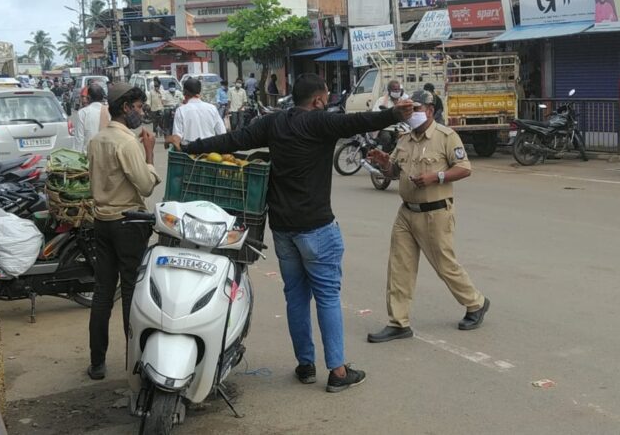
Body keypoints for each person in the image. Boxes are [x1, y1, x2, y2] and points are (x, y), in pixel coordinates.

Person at [165, 73, 414, 393]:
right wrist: (394, 114)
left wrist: (188, 147)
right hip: (318, 228)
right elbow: (360, 122)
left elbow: (232, 140)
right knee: (327, 297)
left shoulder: (274, 124)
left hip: (283, 230)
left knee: (296, 297)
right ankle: (337, 371)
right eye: (325, 97)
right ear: (319, 101)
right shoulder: (321, 123)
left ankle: (306, 365)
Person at [365, 90, 489, 343]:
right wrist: (383, 163)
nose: (412, 114)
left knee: (445, 265)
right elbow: (394, 172)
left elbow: (464, 169)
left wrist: (437, 177)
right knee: (399, 267)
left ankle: (476, 303)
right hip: (406, 212)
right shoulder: (405, 139)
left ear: (430, 110)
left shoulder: (446, 137)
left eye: (416, 109)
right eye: (409, 109)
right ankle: (398, 322)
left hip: (435, 212)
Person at [86, 84, 160, 380]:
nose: (141, 112)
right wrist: (150, 155)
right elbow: (145, 185)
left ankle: (97, 362)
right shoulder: (127, 143)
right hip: (127, 224)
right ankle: (135, 359)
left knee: (103, 292)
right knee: (130, 290)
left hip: (102, 221)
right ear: (126, 107)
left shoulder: (97, 140)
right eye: (140, 107)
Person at [173, 77, 227, 142]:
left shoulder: (181, 111)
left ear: (184, 92)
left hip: (190, 149)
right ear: (199, 91)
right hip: (209, 149)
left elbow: (177, 136)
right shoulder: (212, 108)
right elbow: (222, 132)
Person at [72, 84, 110, 153]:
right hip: (105, 155)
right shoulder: (109, 112)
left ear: (88, 98)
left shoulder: (83, 113)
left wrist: (76, 159)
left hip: (88, 157)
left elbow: (79, 139)